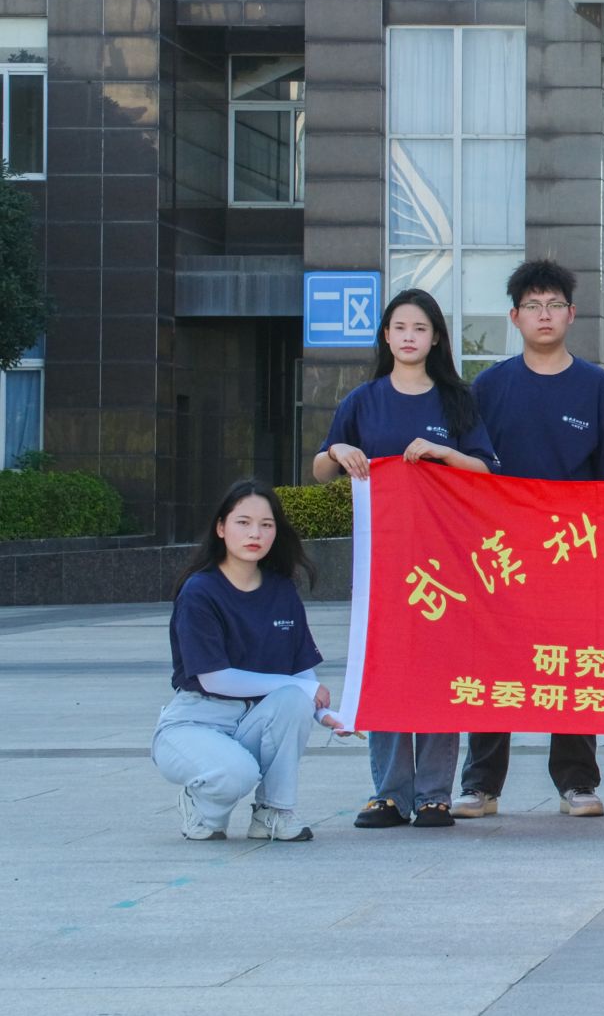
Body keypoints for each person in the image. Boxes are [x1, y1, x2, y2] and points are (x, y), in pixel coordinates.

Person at [452, 260, 604, 821]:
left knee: (574, 664)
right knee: (494, 662)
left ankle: (577, 782)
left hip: (575, 554)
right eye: (533, 306)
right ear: (515, 317)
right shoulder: (490, 386)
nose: (544, 315)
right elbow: (468, 470)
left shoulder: (595, 386)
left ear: (572, 315)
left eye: (554, 305)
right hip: (503, 553)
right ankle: (481, 784)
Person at [314, 288, 496, 829]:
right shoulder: (363, 400)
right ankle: (390, 793)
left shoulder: (456, 400)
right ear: (386, 336)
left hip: (445, 560)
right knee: (388, 667)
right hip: (384, 562)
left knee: (440, 669)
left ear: (435, 337)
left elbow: (486, 471)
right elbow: (321, 468)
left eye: (420, 327)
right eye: (400, 327)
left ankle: (435, 793)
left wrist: (443, 452)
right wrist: (337, 451)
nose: (409, 336)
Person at [153, 481, 346, 842]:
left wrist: (325, 715)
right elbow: (215, 679)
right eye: (243, 522)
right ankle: (201, 806)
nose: (255, 533)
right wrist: (300, 687)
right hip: (196, 722)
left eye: (266, 525)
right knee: (236, 773)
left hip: (252, 718)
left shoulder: (281, 590)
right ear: (221, 527)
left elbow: (299, 667)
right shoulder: (199, 591)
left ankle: (272, 812)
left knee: (293, 700)